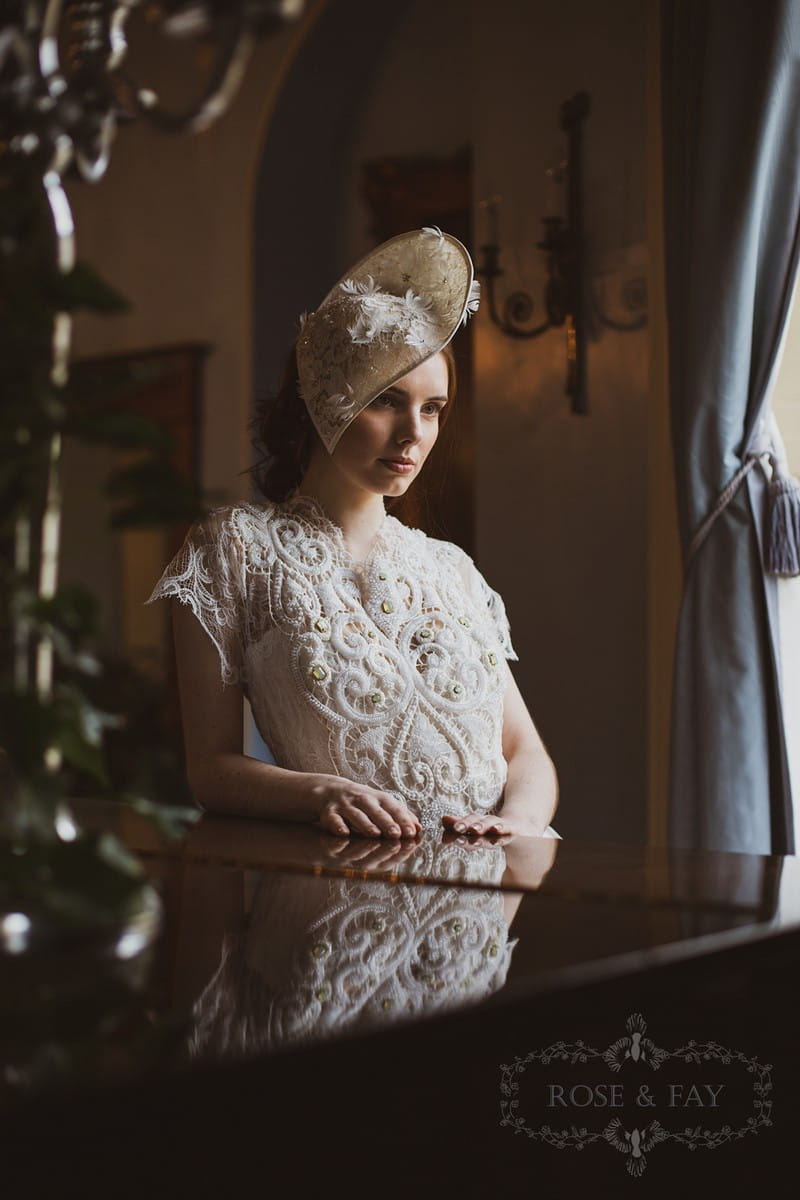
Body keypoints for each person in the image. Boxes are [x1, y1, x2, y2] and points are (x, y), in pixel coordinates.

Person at [149, 227, 558, 840]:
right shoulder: (235, 549)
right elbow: (210, 770)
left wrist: (515, 826)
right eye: (388, 401)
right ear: (325, 398)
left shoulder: (452, 569)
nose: (413, 434)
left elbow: (526, 752)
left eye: (432, 409)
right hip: (345, 893)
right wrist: (319, 793)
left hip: (490, 890)